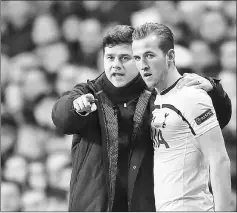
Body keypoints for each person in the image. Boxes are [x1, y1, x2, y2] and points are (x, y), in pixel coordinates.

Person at [52, 25, 231, 212]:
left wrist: (213, 89)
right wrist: (76, 107)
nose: (116, 65)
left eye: (126, 58)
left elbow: (218, 121)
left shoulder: (158, 94)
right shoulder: (89, 93)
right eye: (110, 57)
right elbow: (61, 118)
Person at [132, 22, 232, 211]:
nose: (142, 65)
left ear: (170, 56)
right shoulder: (158, 97)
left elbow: (219, 159)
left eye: (149, 56)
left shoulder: (191, 95)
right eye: (137, 58)